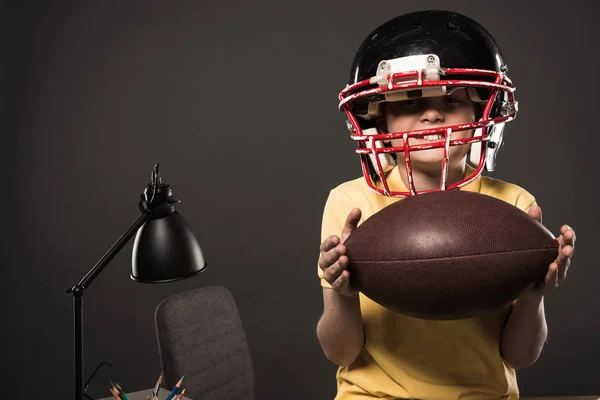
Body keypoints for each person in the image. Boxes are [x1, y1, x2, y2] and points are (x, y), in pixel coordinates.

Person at [316, 10, 576, 400]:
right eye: (410, 100)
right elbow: (341, 352)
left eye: (452, 99)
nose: (432, 114)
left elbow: (520, 357)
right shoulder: (350, 202)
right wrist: (343, 292)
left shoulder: (514, 204)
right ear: (379, 118)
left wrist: (534, 293)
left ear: (482, 112)